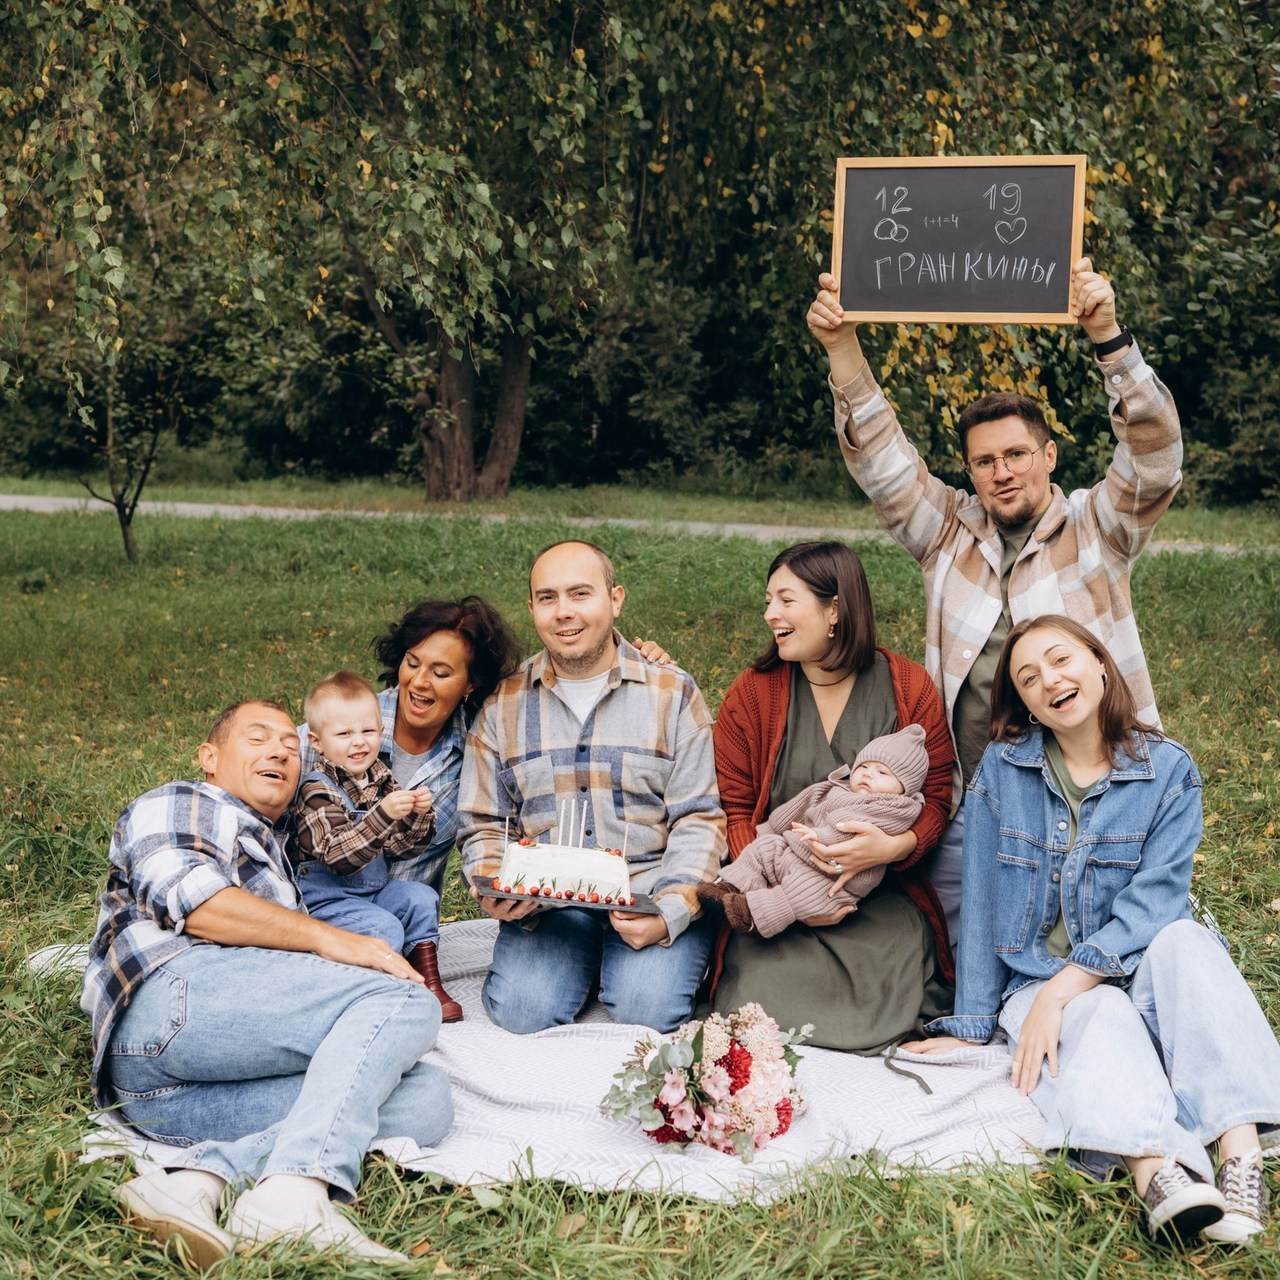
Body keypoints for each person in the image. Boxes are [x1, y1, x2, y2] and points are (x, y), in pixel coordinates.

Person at [806, 258, 1183, 945]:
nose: (1001, 472)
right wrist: (842, 348)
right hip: (975, 803)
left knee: (1102, 965)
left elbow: (1155, 456)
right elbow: (883, 460)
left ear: (1050, 456)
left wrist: (1108, 338)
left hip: (1095, 800)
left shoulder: (1099, 528)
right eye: (984, 461)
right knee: (960, 972)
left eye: (1016, 454)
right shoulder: (947, 532)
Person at [904, 617, 1280, 1244]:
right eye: (1029, 678)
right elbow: (986, 899)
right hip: (1039, 977)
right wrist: (976, 1026)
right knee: (1099, 1010)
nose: (1050, 681)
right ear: (1021, 702)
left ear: (1100, 664)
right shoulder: (1003, 771)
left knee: (1186, 940)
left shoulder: (1169, 771)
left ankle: (1240, 1155)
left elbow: (1157, 902)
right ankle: (1159, 1173)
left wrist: (1063, 990)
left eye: (1061, 660)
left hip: (1142, 966)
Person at [82, 700, 453, 1264]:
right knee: (401, 997)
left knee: (426, 1099)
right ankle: (296, 1195)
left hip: (169, 1100)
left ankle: (193, 1180)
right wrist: (330, 940)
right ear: (210, 757)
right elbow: (194, 902)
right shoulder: (184, 800)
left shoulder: (274, 849)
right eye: (258, 738)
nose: (281, 749)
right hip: (171, 1000)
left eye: (289, 743)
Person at [458, 539, 725, 1034]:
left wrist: (670, 911)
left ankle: (638, 960)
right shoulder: (504, 704)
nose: (564, 613)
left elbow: (700, 817)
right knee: (521, 1010)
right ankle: (582, 959)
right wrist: (493, 882)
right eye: (548, 598)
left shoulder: (672, 693)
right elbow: (482, 820)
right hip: (549, 903)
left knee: (648, 1010)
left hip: (645, 889)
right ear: (533, 608)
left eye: (580, 594)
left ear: (615, 599)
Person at [711, 541, 955, 1052]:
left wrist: (894, 848)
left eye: (785, 600)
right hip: (777, 896)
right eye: (767, 601)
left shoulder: (908, 687)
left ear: (835, 609)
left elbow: (935, 800)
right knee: (756, 1009)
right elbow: (734, 807)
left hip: (872, 899)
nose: (769, 614)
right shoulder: (754, 694)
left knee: (893, 996)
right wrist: (784, 890)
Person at [291, 669, 462, 1021]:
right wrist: (383, 815)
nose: (359, 742)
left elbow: (402, 848)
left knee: (419, 897)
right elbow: (339, 856)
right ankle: (384, 998)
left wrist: (416, 814)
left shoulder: (381, 781)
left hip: (372, 892)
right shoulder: (315, 789)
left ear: (381, 733)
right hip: (325, 901)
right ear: (317, 742)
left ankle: (428, 982)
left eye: (368, 731)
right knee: (383, 928)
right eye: (344, 734)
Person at [698, 724, 928, 938]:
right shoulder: (838, 787)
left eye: (883, 773)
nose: (868, 774)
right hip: (798, 850)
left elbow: (847, 829)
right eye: (864, 767)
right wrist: (772, 828)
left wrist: (820, 836)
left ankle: (754, 917)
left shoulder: (896, 807)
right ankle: (731, 886)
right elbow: (801, 804)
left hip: (834, 877)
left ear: (905, 788)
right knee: (764, 849)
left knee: (801, 891)